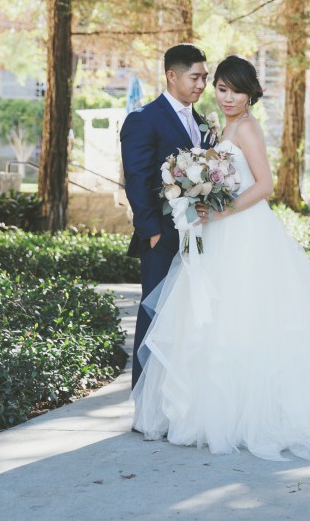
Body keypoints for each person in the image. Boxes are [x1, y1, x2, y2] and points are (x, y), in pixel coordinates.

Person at [131, 55, 310, 461]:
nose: (226, 97)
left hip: (245, 232)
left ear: (251, 94)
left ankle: (254, 415)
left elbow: (265, 185)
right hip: (216, 234)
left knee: (249, 315)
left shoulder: (247, 128)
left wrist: (218, 212)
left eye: (235, 90)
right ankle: (207, 409)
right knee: (212, 318)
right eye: (222, 88)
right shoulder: (217, 128)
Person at [120, 43, 210, 389]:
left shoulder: (202, 123)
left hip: (197, 235)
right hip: (162, 235)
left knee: (188, 317)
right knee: (155, 316)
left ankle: (180, 396)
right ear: (172, 75)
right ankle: (145, 402)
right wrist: (151, 231)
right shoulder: (143, 119)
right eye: (195, 77)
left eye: (204, 77)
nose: (201, 84)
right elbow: (137, 178)